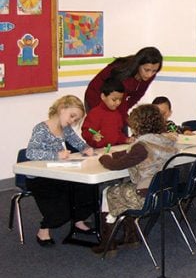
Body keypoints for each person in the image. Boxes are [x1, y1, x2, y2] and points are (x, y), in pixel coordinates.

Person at [93, 103, 178, 255]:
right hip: (165, 193)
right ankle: (130, 236)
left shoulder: (141, 146)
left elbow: (117, 165)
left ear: (136, 125)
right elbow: (131, 155)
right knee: (124, 187)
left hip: (145, 196)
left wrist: (104, 158)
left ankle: (108, 242)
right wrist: (120, 154)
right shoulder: (167, 142)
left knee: (108, 192)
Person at [25, 95, 97, 246]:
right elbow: (30, 153)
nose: (72, 121)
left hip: (57, 174)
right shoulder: (41, 129)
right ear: (61, 108)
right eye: (72, 116)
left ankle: (78, 219)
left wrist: (86, 149)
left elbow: (77, 142)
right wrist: (56, 155)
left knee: (87, 188)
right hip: (39, 177)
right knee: (61, 207)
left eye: (76, 119)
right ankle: (44, 229)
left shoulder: (66, 129)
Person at [84, 46, 163, 127]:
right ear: (138, 64)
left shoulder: (149, 74)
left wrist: (125, 113)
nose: (149, 75)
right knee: (107, 130)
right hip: (95, 97)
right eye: (146, 70)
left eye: (154, 71)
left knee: (119, 126)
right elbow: (120, 106)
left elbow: (137, 95)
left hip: (115, 100)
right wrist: (132, 123)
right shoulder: (123, 75)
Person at [82, 77, 132, 148]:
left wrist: (125, 139)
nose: (118, 103)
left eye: (120, 99)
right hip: (98, 150)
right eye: (114, 100)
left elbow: (118, 133)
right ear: (103, 96)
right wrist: (92, 137)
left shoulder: (117, 114)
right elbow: (86, 131)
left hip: (112, 149)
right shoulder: (95, 113)